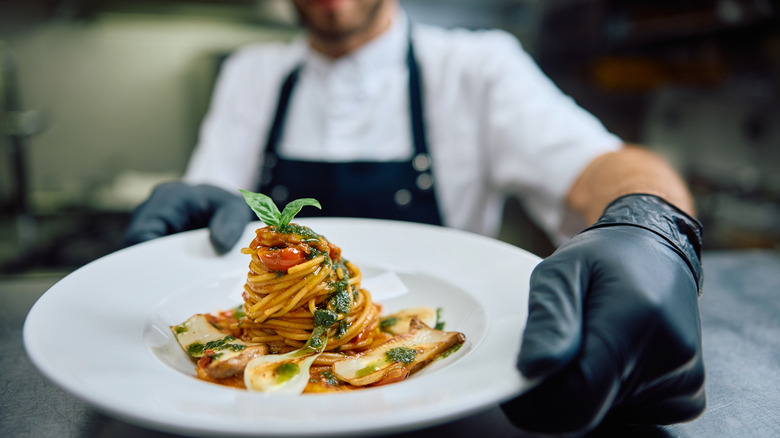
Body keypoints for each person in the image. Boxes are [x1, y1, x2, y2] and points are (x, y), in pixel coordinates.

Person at [125, 0, 705, 433]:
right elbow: (222, 213)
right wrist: (195, 216)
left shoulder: (478, 65)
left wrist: (650, 223)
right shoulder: (251, 73)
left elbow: (607, 165)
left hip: (447, 407)